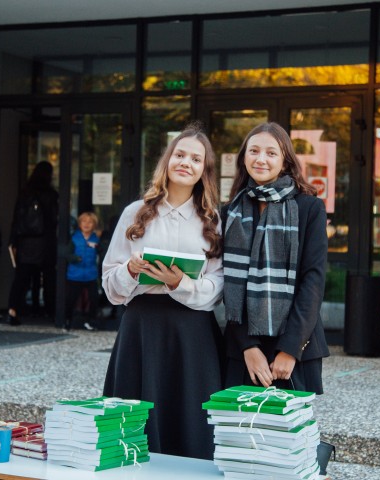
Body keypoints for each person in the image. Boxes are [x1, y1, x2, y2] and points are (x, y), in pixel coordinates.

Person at [102, 123, 224, 460]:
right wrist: (130, 270)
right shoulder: (135, 212)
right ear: (167, 161)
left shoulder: (213, 220)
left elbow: (216, 288)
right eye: (179, 154)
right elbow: (110, 286)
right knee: (134, 423)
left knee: (190, 422)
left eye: (196, 159)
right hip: (140, 329)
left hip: (192, 333)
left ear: (204, 170)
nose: (186, 162)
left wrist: (177, 282)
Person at [222, 122, 330, 395]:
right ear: (243, 157)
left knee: (290, 423)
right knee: (237, 423)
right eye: (254, 151)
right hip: (243, 349)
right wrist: (248, 346)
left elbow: (313, 281)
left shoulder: (309, 208)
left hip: (294, 348)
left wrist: (290, 349)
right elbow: (227, 283)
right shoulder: (229, 213)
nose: (261, 159)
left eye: (271, 153)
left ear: (285, 161)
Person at [6, 161, 59, 326]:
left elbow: (17, 219)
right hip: (45, 242)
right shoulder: (51, 194)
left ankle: (13, 310)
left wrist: (13, 241)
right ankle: (51, 312)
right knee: (49, 278)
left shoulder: (25, 193)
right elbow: (54, 220)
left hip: (26, 242)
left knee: (22, 278)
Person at [65, 211, 101, 331]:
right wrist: (75, 258)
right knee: (71, 299)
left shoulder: (96, 239)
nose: (86, 224)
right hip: (75, 274)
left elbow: (102, 252)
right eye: (84, 221)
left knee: (94, 299)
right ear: (80, 224)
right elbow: (67, 254)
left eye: (90, 222)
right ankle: (67, 321)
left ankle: (91, 322)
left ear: (94, 225)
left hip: (91, 274)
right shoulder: (74, 238)